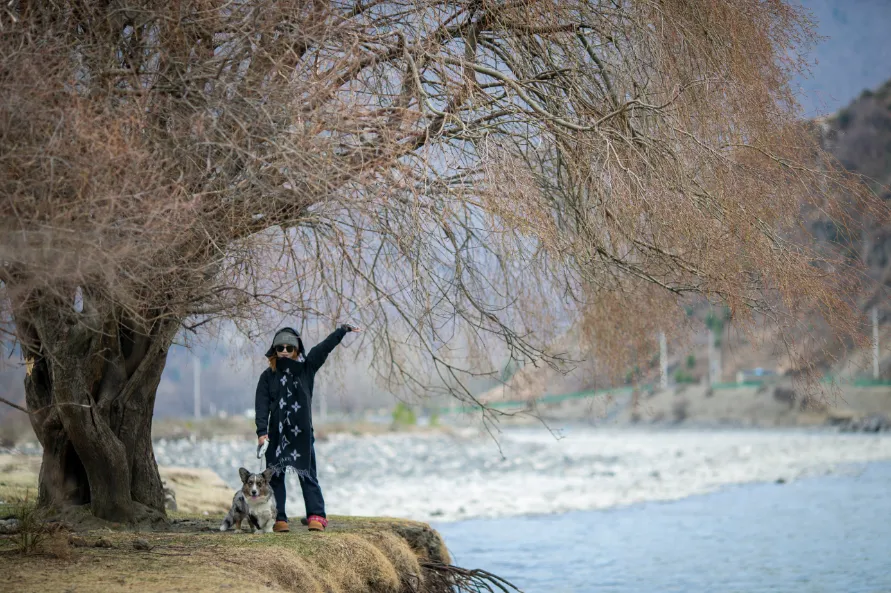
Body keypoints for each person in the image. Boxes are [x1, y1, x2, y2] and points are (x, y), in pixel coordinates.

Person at [255, 323, 359, 532]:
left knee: (308, 475)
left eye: (289, 348)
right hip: (276, 434)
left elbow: (323, 348)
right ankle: (279, 519)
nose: (285, 351)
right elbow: (261, 405)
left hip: (301, 434)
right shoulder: (268, 376)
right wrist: (262, 432)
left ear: (296, 349)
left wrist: (341, 331)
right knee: (275, 476)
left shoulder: (307, 368)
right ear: (274, 350)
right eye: (280, 348)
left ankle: (316, 517)